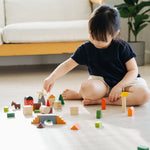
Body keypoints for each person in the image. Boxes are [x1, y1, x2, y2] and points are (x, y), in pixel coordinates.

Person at [43, 5, 150, 106]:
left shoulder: (122, 47)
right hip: (102, 83)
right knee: (87, 88)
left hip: (125, 83)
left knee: (144, 95)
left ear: (115, 34)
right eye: (92, 37)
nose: (96, 42)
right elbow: (68, 65)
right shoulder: (86, 48)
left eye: (102, 39)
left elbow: (133, 70)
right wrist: (51, 78)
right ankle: (82, 94)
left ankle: (101, 101)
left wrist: (119, 87)